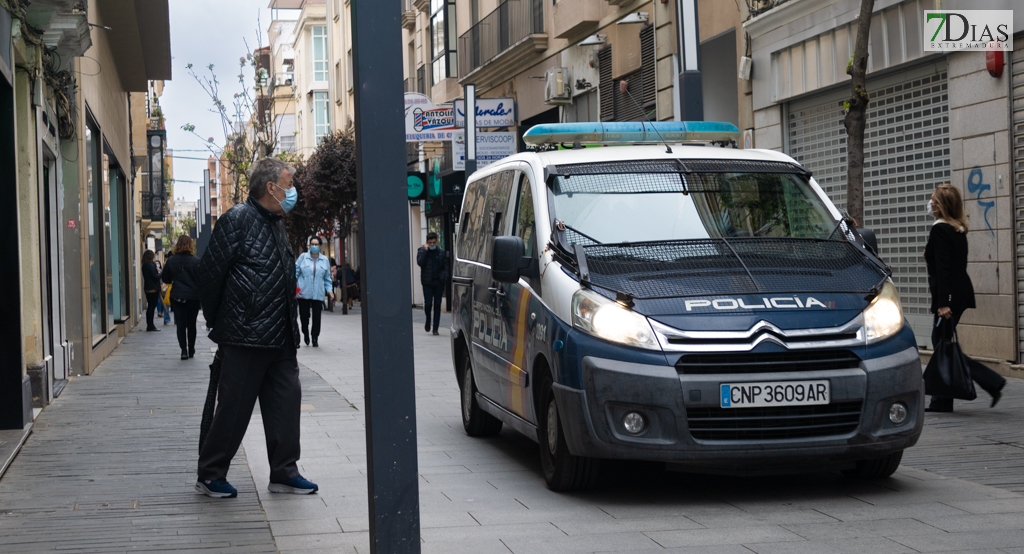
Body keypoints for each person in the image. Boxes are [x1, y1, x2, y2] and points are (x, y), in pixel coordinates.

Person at [194, 157, 316, 499]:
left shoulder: (278, 222)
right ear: (271, 188)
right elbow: (209, 278)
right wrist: (224, 323)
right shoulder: (237, 220)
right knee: (234, 409)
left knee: (286, 404)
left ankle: (284, 472)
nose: (293, 192)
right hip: (245, 336)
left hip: (281, 336)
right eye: (289, 184)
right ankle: (211, 473)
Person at [924, 183, 1006, 412]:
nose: (930, 203)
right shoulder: (957, 229)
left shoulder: (940, 230)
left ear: (941, 206)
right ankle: (942, 400)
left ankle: (991, 382)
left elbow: (944, 270)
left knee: (942, 344)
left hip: (949, 297)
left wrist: (943, 303)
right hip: (959, 294)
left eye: (933, 200)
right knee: (944, 343)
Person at [161, 235, 202, 360]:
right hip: (193, 297)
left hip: (177, 296)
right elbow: (201, 279)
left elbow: (165, 278)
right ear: (190, 245)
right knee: (191, 324)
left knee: (180, 324)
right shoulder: (196, 261)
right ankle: (191, 349)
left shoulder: (171, 261)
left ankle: (183, 350)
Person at [295, 237, 333, 347]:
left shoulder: (324, 260)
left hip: (318, 293)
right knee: (304, 316)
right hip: (303, 293)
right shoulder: (303, 258)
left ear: (320, 246)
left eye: (316, 244)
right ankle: (305, 332)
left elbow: (327, 278)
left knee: (317, 317)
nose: (314, 246)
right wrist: (295, 290)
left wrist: (330, 291)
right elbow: (295, 274)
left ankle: (315, 337)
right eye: (312, 244)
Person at [417, 232, 448, 335]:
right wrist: (425, 251)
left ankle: (435, 329)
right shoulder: (422, 251)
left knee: (437, 305)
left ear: (436, 241)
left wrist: (444, 277)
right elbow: (420, 263)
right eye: (430, 243)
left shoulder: (441, 253)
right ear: (427, 242)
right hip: (427, 282)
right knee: (428, 304)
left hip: (438, 282)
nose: (432, 245)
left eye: (433, 243)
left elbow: (446, 266)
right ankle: (428, 320)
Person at [141, 250, 162, 332]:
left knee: (150, 307)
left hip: (147, 288)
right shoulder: (151, 265)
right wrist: (161, 273)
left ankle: (149, 324)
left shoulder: (144, 265)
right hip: (153, 289)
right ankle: (150, 325)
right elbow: (155, 277)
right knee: (152, 307)